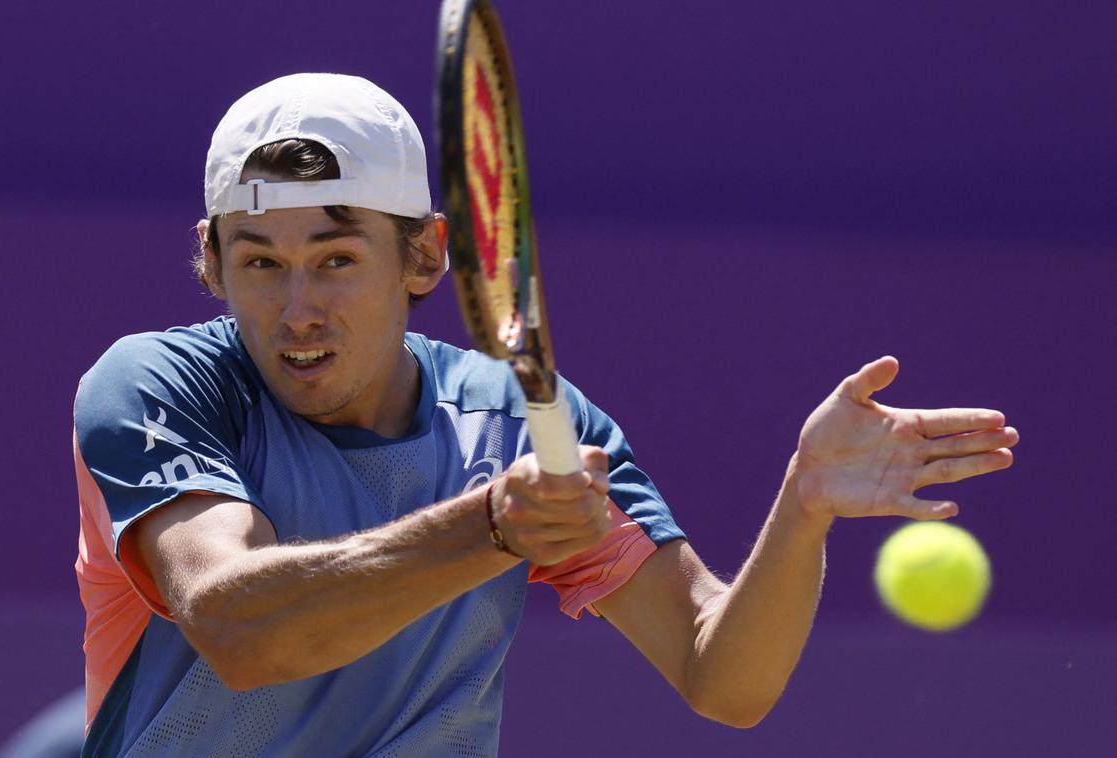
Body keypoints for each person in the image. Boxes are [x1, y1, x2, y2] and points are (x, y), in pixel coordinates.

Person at [73, 73, 1019, 756]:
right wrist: (488, 528)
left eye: (336, 258)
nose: (298, 308)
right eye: (260, 262)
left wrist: (802, 505)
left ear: (425, 256)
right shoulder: (157, 386)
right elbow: (240, 630)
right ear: (212, 260)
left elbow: (721, 676)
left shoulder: (523, 423)